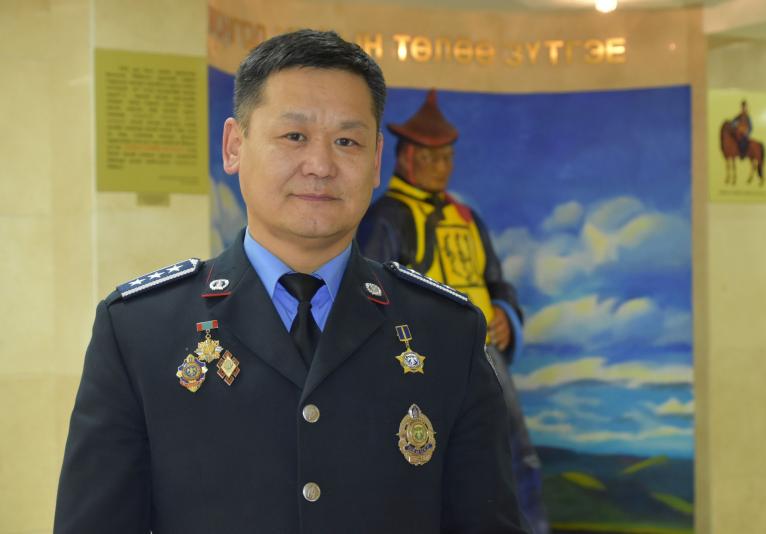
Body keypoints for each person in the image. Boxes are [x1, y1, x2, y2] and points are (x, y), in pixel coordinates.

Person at [54, 30, 530, 534]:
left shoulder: (447, 332)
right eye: (294, 136)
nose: (320, 166)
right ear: (234, 146)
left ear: (375, 162)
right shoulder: (140, 331)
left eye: (347, 141)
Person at [358, 89, 549, 534]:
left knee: (514, 453)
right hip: (420, 360)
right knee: (424, 457)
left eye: (447, 157)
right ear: (407, 158)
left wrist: (504, 313)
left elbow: (496, 280)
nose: (443, 167)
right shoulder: (386, 217)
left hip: (485, 355)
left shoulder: (466, 217)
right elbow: (371, 291)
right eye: (433, 157)